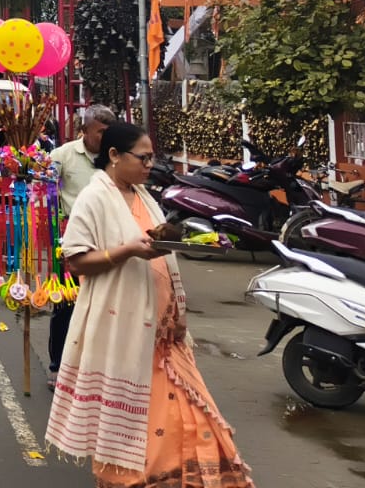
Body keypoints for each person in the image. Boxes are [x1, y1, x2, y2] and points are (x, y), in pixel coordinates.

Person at [45, 122, 254, 488]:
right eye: (143, 158)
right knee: (141, 434)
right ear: (113, 156)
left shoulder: (143, 195)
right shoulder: (95, 198)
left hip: (164, 336)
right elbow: (75, 261)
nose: (148, 165)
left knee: (191, 422)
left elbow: (160, 248)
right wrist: (127, 251)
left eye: (150, 158)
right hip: (124, 331)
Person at [47, 104, 116, 386]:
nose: (104, 138)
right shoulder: (62, 156)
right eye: (100, 132)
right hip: (71, 240)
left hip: (107, 240)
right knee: (66, 306)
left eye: (108, 133)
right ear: (85, 130)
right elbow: (46, 191)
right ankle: (57, 366)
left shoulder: (115, 158)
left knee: (102, 307)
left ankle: (92, 370)